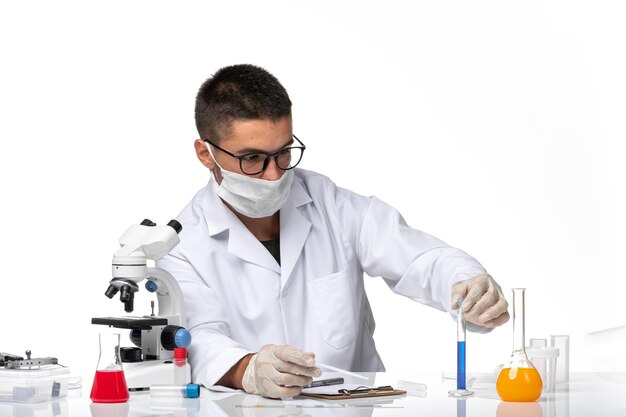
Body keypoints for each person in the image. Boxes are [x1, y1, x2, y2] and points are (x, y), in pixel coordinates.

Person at [156, 64, 510, 399]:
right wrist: (247, 369)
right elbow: (197, 338)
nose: (274, 174)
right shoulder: (181, 245)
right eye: (252, 158)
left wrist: (466, 283)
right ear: (205, 153)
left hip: (355, 406)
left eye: (283, 153)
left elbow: (419, 257)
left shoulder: (330, 205)